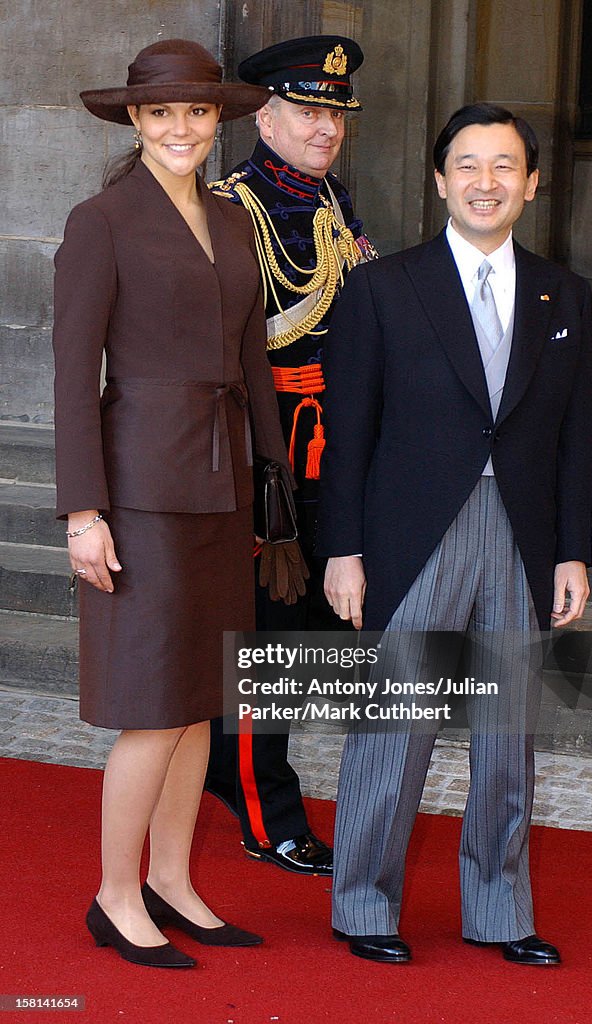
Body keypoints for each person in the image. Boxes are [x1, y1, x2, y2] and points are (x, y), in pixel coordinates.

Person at [317, 103, 592, 964]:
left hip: (520, 533)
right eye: (467, 165)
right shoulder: (381, 287)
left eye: (504, 166)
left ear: (531, 183)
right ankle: (363, 905)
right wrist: (342, 548)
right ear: (439, 180)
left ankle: (500, 912)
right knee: (396, 732)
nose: (486, 182)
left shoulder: (562, 292)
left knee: (505, 737)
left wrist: (572, 549)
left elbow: (572, 433)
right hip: (413, 533)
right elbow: (346, 431)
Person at [53, 39, 291, 969]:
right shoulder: (100, 220)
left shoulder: (235, 222)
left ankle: (173, 879)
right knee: (154, 704)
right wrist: (84, 510)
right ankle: (115, 897)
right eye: (162, 113)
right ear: (136, 121)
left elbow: (252, 363)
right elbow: (74, 377)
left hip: (223, 480)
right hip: (141, 489)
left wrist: (269, 483)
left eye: (196, 112)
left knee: (201, 702)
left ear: (217, 120)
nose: (181, 128)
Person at [204, 36, 377, 874]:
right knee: (267, 645)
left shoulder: (330, 200)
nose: (325, 128)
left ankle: (216, 761)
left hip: (331, 456)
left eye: (335, 114)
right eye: (308, 111)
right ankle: (266, 814)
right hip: (266, 462)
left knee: (304, 635)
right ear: (263, 115)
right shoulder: (231, 209)